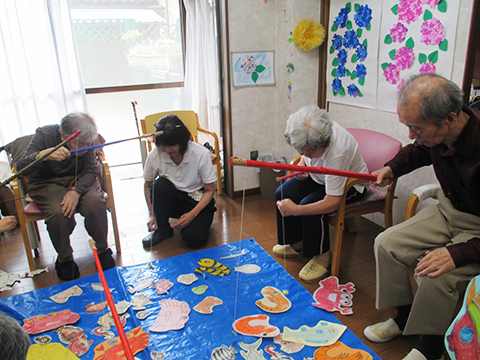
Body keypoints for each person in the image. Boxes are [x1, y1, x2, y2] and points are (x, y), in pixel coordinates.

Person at [363, 74, 480, 360]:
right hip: (448, 210)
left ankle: (430, 346)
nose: (411, 135)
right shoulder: (438, 133)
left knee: (435, 273)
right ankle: (403, 319)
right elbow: (418, 151)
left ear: (449, 119)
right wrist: (391, 168)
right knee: (386, 243)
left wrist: (459, 252)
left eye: (416, 127)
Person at [273, 105, 369, 282]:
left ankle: (322, 257)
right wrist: (303, 164)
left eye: (309, 150)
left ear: (322, 143)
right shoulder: (315, 130)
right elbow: (307, 156)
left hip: (351, 186)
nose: (304, 153)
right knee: (283, 192)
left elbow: (332, 202)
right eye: (301, 149)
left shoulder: (338, 151)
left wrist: (297, 210)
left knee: (309, 207)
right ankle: (297, 242)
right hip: (322, 177)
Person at [16, 112, 115, 281]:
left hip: (80, 179)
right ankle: (65, 258)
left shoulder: (88, 141)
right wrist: (42, 156)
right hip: (47, 182)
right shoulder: (44, 135)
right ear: (64, 136)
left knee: (95, 202)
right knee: (58, 212)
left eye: (88, 143)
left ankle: (102, 248)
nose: (85, 147)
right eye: (80, 144)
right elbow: (21, 167)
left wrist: (76, 190)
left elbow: (91, 170)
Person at [142, 114, 217, 248]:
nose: (166, 150)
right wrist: (152, 214)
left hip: (196, 200)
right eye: (163, 146)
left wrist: (191, 215)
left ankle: (198, 223)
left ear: (182, 142)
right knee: (159, 185)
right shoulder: (156, 155)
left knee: (194, 239)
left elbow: (210, 190)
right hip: (173, 198)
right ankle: (163, 230)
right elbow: (148, 185)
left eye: (171, 146)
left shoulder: (200, 154)